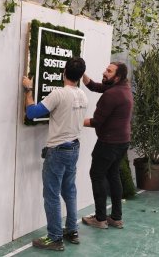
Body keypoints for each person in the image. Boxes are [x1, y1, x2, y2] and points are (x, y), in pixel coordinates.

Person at [23, 57, 88, 251]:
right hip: (74, 148)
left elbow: (32, 112)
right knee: (69, 190)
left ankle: (55, 238)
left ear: (64, 72)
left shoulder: (59, 94)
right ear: (80, 75)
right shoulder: (83, 95)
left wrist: (27, 89)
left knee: (51, 195)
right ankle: (72, 230)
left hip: (58, 150)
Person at [81, 62, 133, 230]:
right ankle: (116, 218)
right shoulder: (123, 87)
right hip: (122, 141)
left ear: (116, 77)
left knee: (97, 175)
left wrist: (73, 119)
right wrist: (83, 75)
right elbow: (96, 86)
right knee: (113, 175)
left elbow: (96, 122)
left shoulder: (112, 95)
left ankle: (100, 218)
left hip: (109, 143)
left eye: (108, 71)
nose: (104, 72)